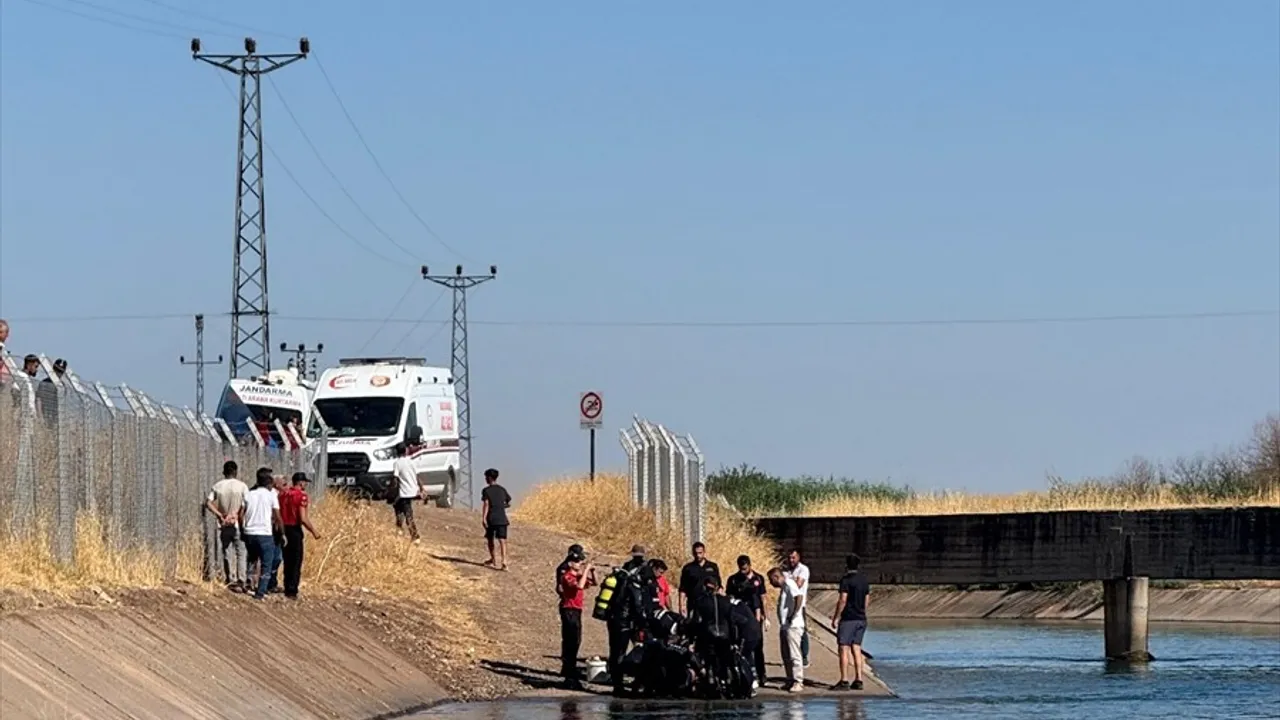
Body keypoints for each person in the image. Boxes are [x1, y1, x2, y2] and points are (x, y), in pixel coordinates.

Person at [606, 544, 655, 696]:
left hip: (615, 618)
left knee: (616, 652)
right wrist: (643, 623)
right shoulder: (640, 577)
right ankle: (636, 684)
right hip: (629, 620)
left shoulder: (623, 571)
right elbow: (638, 603)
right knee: (641, 651)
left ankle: (617, 684)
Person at [557, 546, 597, 689]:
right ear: (571, 563)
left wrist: (591, 570)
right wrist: (585, 570)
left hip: (577, 610)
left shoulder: (578, 576)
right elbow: (579, 587)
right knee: (570, 641)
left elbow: (593, 583)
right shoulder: (567, 576)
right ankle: (569, 673)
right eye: (577, 562)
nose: (579, 564)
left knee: (577, 640)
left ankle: (570, 672)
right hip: (569, 609)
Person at [206, 460, 249, 592]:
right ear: (235, 472)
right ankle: (241, 579)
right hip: (237, 521)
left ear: (224, 472)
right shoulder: (242, 486)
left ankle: (231, 578)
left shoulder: (217, 486)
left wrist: (219, 514)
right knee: (241, 551)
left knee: (227, 550)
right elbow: (246, 503)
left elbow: (208, 502)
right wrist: (238, 515)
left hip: (224, 522)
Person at [830, 553, 872, 690]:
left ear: (846, 565)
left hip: (848, 618)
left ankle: (844, 680)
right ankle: (859, 679)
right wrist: (861, 611)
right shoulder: (864, 580)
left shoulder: (846, 580)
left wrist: (836, 617)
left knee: (843, 648)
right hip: (861, 618)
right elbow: (867, 600)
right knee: (856, 647)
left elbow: (842, 600)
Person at [726, 554, 768, 686]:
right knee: (741, 645)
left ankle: (762, 675)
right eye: (741, 568)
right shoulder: (733, 580)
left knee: (758, 646)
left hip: (755, 615)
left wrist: (765, 617)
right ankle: (744, 673)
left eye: (745, 568)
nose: (743, 571)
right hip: (740, 617)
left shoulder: (758, 579)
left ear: (749, 565)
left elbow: (763, 598)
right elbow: (730, 598)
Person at [242, 468, 282, 600]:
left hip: (249, 532)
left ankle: (248, 583)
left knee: (252, 560)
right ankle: (261, 591)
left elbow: (240, 513)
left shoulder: (249, 494)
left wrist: (243, 528)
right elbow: (277, 516)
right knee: (266, 563)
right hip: (265, 533)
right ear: (269, 484)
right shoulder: (272, 496)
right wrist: (281, 532)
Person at [280, 471, 321, 599]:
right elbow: (302, 517)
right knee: (296, 561)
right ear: (301, 483)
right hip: (294, 529)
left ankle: (287, 586)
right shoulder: (301, 496)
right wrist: (314, 531)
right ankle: (292, 590)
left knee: (287, 560)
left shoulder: (282, 494)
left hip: (283, 529)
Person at [768, 566, 805, 693]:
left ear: (776, 577)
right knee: (786, 655)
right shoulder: (784, 588)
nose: (770, 583)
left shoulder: (789, 583)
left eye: (771, 580)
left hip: (793, 625)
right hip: (785, 625)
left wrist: (793, 614)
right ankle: (789, 679)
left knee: (794, 654)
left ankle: (798, 681)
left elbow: (799, 597)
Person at [784, 548, 812, 668]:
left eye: (793, 558)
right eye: (789, 558)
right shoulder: (786, 571)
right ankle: (792, 655)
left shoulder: (803, 569)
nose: (791, 560)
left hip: (800, 605)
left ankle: (804, 656)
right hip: (787, 605)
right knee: (788, 629)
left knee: (802, 630)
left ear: (798, 557)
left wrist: (789, 580)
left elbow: (798, 584)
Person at [480, 468, 511, 570]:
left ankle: (493, 559)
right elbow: (508, 502)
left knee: (490, 539)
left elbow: (486, 504)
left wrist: (483, 518)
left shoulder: (486, 491)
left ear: (489, 478)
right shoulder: (502, 490)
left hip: (491, 518)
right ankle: (504, 561)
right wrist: (501, 506)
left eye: (486, 477)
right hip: (502, 518)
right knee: (502, 540)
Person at [678, 542, 721, 616]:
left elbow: (719, 586)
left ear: (704, 552)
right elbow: (683, 589)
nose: (698, 555)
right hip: (694, 603)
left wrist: (720, 602)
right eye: (696, 553)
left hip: (710, 603)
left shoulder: (713, 567)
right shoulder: (688, 568)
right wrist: (681, 605)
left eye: (700, 553)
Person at [392, 442, 423, 542]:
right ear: (405, 451)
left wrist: (389, 488)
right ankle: (399, 529)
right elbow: (418, 477)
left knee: (407, 513)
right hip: (413, 490)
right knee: (399, 507)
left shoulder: (397, 463)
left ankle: (415, 536)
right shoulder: (412, 462)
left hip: (404, 492)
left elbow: (395, 479)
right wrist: (422, 488)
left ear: (396, 452)